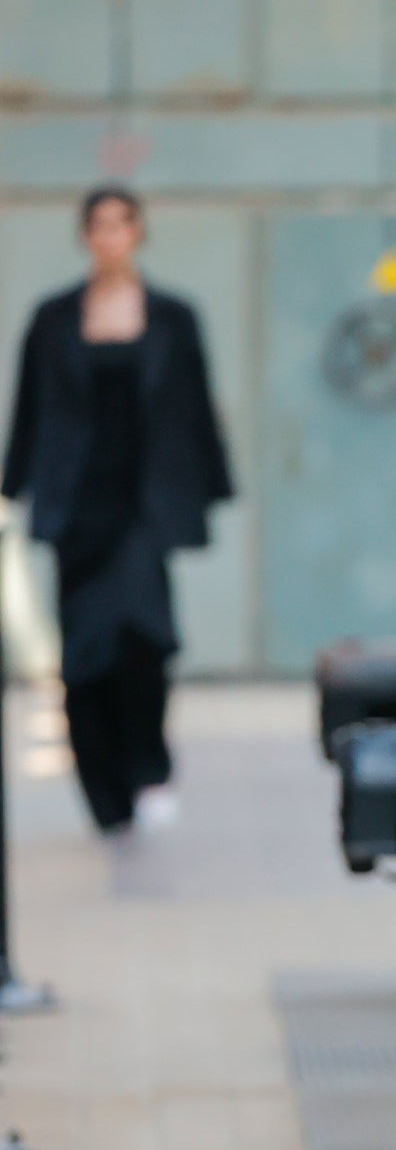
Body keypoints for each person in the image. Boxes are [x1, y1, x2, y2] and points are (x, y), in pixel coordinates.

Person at [1, 184, 234, 833]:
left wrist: (211, 489)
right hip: (77, 507)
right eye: (98, 225)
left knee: (144, 642)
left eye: (121, 223)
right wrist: (11, 485)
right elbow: (29, 409)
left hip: (145, 506)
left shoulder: (173, 316)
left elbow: (194, 404)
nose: (110, 236)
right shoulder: (52, 318)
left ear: (137, 233)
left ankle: (148, 768)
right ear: (84, 235)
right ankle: (103, 793)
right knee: (83, 657)